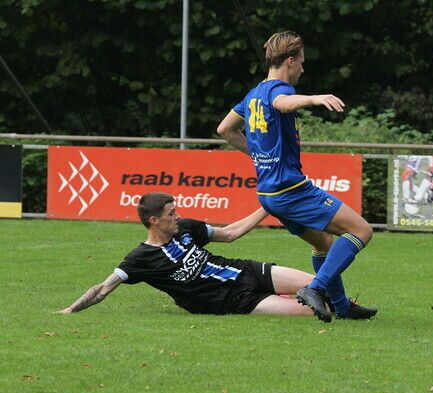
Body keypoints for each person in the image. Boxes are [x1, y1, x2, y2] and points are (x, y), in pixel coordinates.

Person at [217, 30, 376, 323]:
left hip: (269, 194)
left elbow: (225, 129)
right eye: (302, 62)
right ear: (290, 61)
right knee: (362, 231)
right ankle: (314, 288)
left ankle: (341, 306)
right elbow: (282, 104)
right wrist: (315, 98)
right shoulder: (280, 90)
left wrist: (259, 154)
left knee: (323, 244)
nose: (303, 68)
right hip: (290, 189)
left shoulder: (253, 94)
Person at [57, 192, 318, 317]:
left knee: (317, 286)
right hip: (232, 301)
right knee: (314, 311)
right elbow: (103, 289)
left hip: (247, 271)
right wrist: (69, 310)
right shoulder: (140, 259)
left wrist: (268, 207)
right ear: (154, 221)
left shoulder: (186, 227)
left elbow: (229, 234)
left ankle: (350, 308)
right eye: (171, 214)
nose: (177, 216)